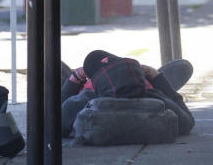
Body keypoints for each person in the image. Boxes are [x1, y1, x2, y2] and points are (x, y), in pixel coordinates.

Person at [61, 50, 195, 136]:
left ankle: (68, 77)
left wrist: (75, 78)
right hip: (143, 86)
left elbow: (53, 119)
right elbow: (188, 121)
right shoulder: (153, 96)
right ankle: (149, 76)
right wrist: (156, 77)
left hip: (95, 88)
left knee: (69, 78)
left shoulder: (88, 98)